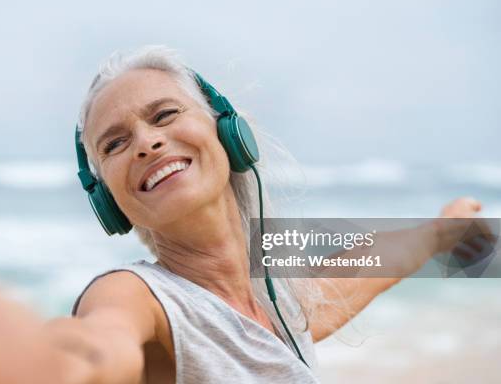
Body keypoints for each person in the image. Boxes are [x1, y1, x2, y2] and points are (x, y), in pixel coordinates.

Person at [67, 45, 493, 383]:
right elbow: (97, 345)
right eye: (114, 144)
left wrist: (443, 230)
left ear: (229, 133)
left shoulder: (274, 300)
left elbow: (360, 267)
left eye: (164, 114)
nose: (146, 142)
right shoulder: (136, 296)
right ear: (109, 202)